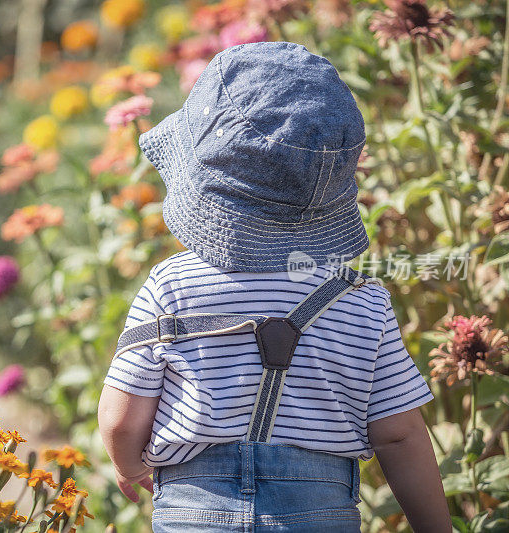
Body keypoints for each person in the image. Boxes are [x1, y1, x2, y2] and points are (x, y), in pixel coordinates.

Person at [97, 41, 452, 533]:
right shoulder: (362, 301)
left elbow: (119, 417)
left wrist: (129, 465)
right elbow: (401, 436)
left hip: (193, 510)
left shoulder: (171, 285)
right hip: (321, 512)